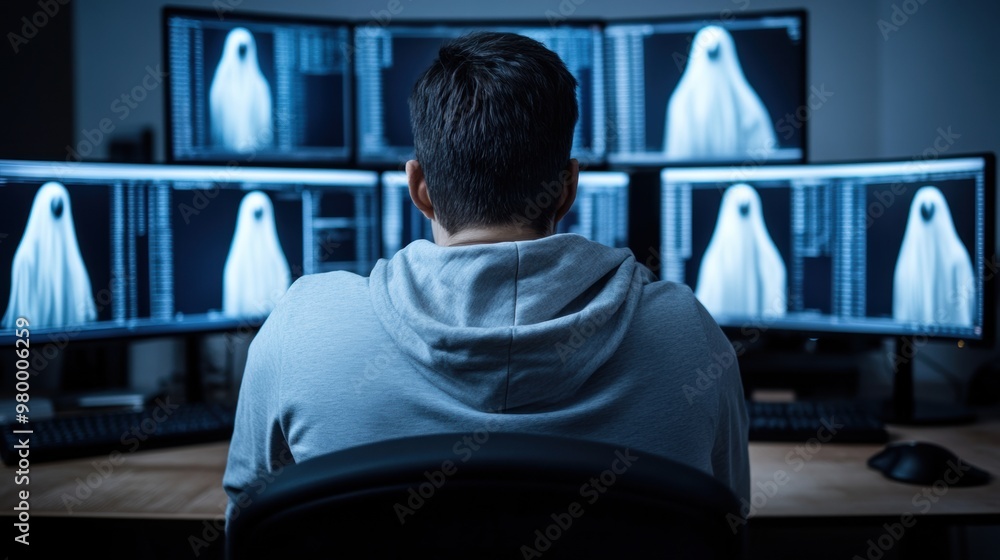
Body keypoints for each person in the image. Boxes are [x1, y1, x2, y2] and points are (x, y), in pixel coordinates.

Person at [223, 31, 749, 524]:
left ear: (419, 187)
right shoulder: (689, 335)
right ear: (568, 188)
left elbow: (247, 529)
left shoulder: (304, 326)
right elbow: (728, 524)